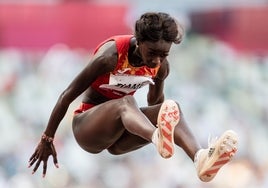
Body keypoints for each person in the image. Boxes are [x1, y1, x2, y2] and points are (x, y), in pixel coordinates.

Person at [28, 12, 238, 182]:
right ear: (139, 41)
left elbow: (157, 107)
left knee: (173, 107)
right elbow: (67, 95)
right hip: (88, 129)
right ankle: (156, 138)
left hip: (120, 137)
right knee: (126, 102)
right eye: (152, 52)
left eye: (163, 54)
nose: (156, 60)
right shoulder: (110, 57)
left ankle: (200, 158)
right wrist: (47, 138)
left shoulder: (160, 68)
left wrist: (166, 120)